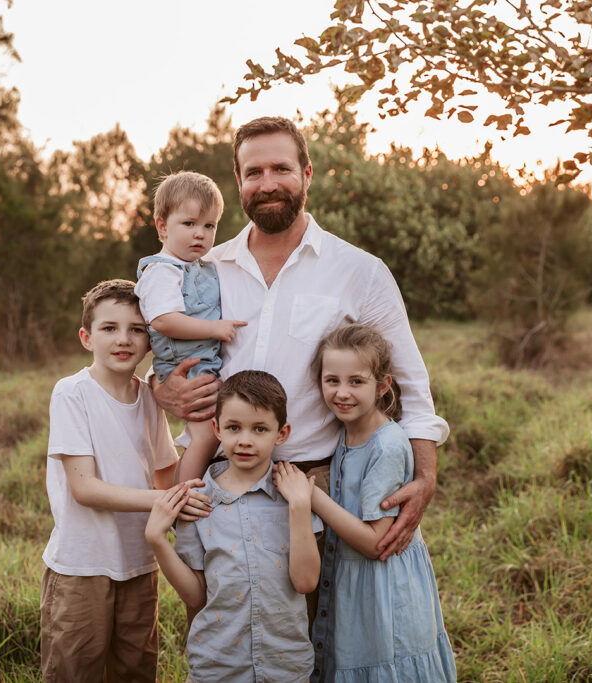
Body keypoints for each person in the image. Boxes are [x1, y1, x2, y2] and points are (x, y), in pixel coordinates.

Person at [154, 116, 449, 560]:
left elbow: (410, 384)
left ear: (306, 174)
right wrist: (164, 391)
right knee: (218, 621)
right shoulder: (204, 269)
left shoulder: (359, 271)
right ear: (238, 180)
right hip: (219, 485)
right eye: (253, 173)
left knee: (311, 624)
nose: (267, 183)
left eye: (281, 169)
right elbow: (164, 354)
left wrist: (424, 477)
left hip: (318, 486)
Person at [40, 278, 209, 683]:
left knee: (135, 670)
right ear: (87, 337)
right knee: (74, 671)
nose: (124, 339)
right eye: (109, 328)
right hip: (82, 567)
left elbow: (165, 473)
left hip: (138, 564)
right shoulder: (72, 393)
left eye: (137, 329)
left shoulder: (150, 399)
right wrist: (167, 501)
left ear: (151, 341)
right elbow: (85, 489)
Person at [276, 323, 456, 682]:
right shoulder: (345, 434)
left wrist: (310, 495)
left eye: (356, 382)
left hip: (384, 588)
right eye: (332, 381)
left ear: (382, 384)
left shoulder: (386, 445)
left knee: (386, 665)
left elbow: (376, 543)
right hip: (355, 584)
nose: (342, 393)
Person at [145, 370, 323, 682]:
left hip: (285, 667)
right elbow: (196, 597)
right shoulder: (198, 502)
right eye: (233, 427)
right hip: (218, 665)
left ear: (281, 433)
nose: (245, 440)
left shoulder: (293, 494)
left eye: (259, 429)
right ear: (217, 428)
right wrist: (157, 540)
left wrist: (299, 506)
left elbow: (306, 582)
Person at [135, 171, 247, 483]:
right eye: (189, 224)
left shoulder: (204, 267)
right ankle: (181, 498)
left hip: (204, 363)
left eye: (209, 225)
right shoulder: (162, 271)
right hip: (185, 366)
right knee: (205, 436)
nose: (200, 234)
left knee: (215, 433)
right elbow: (163, 320)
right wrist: (214, 329)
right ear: (162, 227)